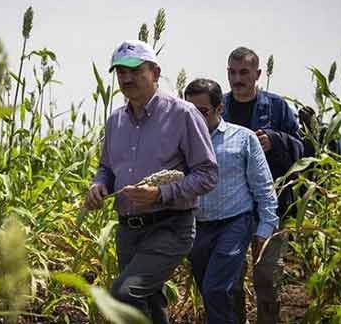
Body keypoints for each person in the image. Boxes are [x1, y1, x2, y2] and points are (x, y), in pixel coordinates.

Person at [85, 40, 219, 323]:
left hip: (170, 226)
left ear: (156, 73)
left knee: (125, 294)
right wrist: (99, 185)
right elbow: (106, 167)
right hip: (128, 232)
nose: (126, 78)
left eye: (135, 70)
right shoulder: (115, 121)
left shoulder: (183, 114)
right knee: (149, 301)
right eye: (120, 72)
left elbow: (208, 174)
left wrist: (160, 194)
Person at [184, 78, 279, 324]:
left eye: (202, 111)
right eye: (189, 111)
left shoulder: (244, 139)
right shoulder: (181, 142)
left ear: (219, 108)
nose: (195, 118)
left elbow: (263, 186)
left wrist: (266, 228)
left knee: (215, 288)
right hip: (197, 227)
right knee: (213, 290)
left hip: (234, 223)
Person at [222, 47, 303, 324]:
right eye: (232, 72)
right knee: (230, 280)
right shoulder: (219, 107)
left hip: (270, 207)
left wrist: (275, 139)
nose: (237, 78)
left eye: (244, 72)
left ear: (258, 74)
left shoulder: (278, 107)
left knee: (267, 278)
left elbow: (303, 148)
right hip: (230, 208)